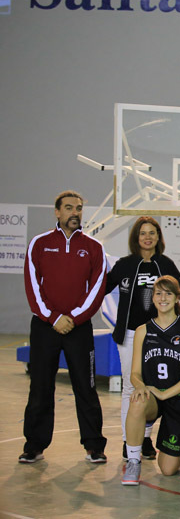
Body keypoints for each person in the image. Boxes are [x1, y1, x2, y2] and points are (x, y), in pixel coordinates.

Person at [21, 190, 108, 464]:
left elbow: (97, 289)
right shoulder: (39, 243)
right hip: (45, 326)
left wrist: (73, 318)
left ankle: (94, 446)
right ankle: (34, 445)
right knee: (40, 387)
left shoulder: (94, 247)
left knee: (86, 387)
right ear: (57, 212)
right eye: (69, 208)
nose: (75, 213)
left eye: (79, 208)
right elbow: (32, 286)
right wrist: (53, 317)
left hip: (78, 328)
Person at [106, 216, 180, 459]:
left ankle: (146, 438)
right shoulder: (124, 265)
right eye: (143, 233)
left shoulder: (166, 264)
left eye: (152, 233)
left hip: (160, 337)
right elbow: (101, 288)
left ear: (158, 237)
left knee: (153, 386)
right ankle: (128, 440)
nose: (148, 237)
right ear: (136, 237)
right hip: (130, 335)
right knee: (132, 387)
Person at [121, 276, 180, 485]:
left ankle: (170, 450)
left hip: (179, 399)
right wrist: (141, 387)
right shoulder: (143, 331)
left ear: (177, 297)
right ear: (153, 297)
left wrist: (166, 393)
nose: (163, 298)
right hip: (153, 398)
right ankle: (133, 461)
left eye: (168, 293)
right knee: (137, 400)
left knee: (168, 470)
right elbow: (135, 373)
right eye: (158, 293)